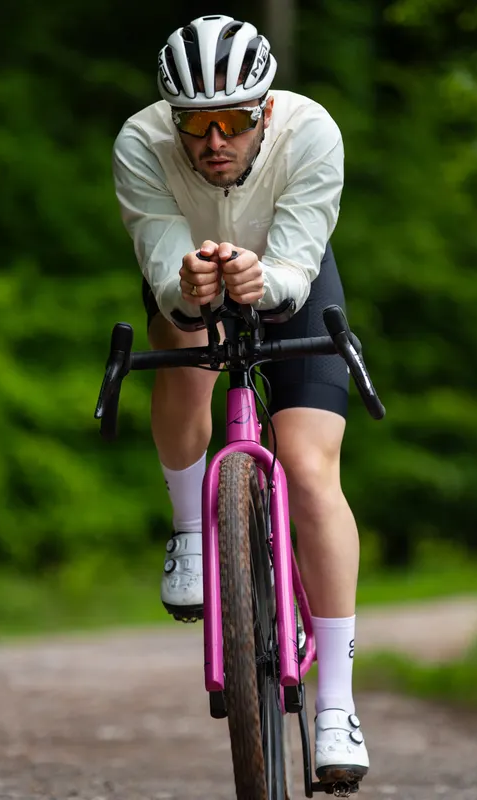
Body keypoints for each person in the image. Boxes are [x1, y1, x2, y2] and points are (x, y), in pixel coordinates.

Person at [110, 14, 369, 784]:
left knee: (311, 470)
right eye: (195, 124)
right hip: (189, 279)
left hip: (292, 273)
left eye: (233, 121)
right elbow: (160, 257)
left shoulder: (313, 133)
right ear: (172, 120)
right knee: (178, 339)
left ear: (265, 111)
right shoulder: (138, 145)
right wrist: (186, 286)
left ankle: (337, 711)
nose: (214, 140)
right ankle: (193, 531)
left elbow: (299, 252)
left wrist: (268, 279)